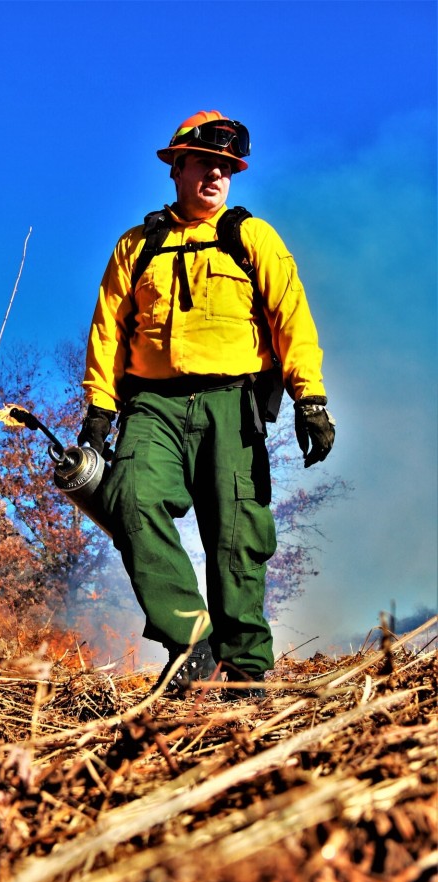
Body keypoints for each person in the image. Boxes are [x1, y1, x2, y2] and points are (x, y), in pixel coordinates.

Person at [78, 110, 335, 698]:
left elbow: (291, 316)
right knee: (130, 498)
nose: (217, 176)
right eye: (206, 164)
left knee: (236, 533)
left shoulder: (252, 237)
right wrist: (99, 409)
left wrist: (310, 399)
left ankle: (244, 672)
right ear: (177, 167)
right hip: (152, 405)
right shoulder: (136, 246)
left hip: (231, 402)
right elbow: (108, 331)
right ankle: (190, 640)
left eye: (227, 167)